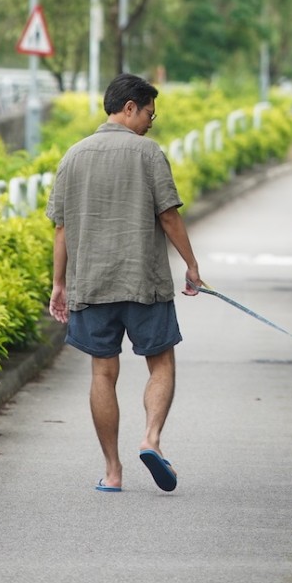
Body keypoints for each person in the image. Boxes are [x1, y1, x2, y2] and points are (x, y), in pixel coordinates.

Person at [46, 72, 202, 494]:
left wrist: (59, 284)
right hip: (143, 281)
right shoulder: (149, 154)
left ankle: (113, 472)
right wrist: (191, 265)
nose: (152, 121)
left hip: (90, 284)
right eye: (149, 112)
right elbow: (168, 215)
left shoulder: (73, 156)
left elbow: (61, 230)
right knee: (161, 363)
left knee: (102, 372)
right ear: (129, 107)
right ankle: (151, 439)